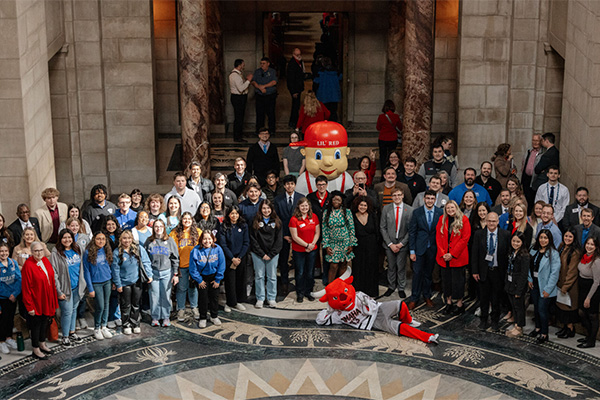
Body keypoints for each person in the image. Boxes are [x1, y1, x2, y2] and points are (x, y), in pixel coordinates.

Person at [471, 212, 510, 330]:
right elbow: (474, 253)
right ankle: (483, 320)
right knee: (483, 297)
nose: (491, 223)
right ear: (486, 221)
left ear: (498, 222)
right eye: (489, 221)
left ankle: (495, 321)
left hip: (498, 271)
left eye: (494, 221)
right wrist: (475, 271)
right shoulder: (479, 234)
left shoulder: (506, 234)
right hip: (484, 271)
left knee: (496, 298)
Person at [21, 241, 58, 360]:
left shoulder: (45, 261)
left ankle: (42, 343)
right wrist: (29, 306)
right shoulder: (28, 265)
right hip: (36, 301)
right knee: (36, 325)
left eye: (41, 250)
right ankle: (36, 348)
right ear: (31, 252)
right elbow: (26, 288)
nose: (39, 253)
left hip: (46, 299)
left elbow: (51, 280)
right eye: (36, 251)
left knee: (44, 322)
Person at [111, 230, 152, 335]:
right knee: (126, 305)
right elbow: (115, 270)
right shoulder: (117, 252)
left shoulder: (138, 249)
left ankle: (135, 323)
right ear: (121, 239)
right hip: (124, 283)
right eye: (124, 238)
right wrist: (118, 284)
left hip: (137, 281)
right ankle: (126, 325)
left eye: (129, 238)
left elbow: (146, 261)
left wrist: (149, 274)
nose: (127, 240)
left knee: (136, 304)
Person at [408, 190, 443, 309]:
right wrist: (412, 251)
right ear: (424, 199)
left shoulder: (440, 212)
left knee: (428, 274)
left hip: (433, 248)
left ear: (435, 200)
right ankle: (414, 298)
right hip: (419, 249)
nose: (429, 201)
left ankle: (427, 296)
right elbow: (412, 232)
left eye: (432, 199)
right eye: (427, 198)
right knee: (417, 273)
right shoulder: (417, 212)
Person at [51, 229, 86, 346]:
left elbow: (82, 267)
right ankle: (65, 336)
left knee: (74, 310)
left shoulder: (78, 249)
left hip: (77, 286)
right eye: (64, 237)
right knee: (67, 312)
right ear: (60, 239)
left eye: (69, 237)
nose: (67, 240)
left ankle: (72, 332)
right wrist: (58, 291)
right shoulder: (56, 252)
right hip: (65, 288)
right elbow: (54, 274)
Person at [436, 201, 470, 315]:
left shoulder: (464, 220)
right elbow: (438, 238)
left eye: (452, 208)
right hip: (444, 258)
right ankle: (449, 303)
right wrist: (443, 253)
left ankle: (460, 304)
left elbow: (465, 239)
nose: (450, 210)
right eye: (448, 208)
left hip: (457, 258)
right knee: (446, 282)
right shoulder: (442, 219)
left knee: (458, 282)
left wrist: (452, 254)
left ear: (456, 208)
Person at [528, 229, 561, 344]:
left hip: (546, 286)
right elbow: (529, 267)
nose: (543, 240)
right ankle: (537, 328)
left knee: (542, 310)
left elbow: (554, 273)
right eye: (541, 237)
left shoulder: (554, 254)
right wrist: (529, 279)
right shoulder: (533, 250)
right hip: (534, 284)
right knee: (536, 308)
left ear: (549, 239)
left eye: (545, 238)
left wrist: (548, 289)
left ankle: (544, 333)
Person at [145, 219, 179, 327]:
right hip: (154, 273)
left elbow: (175, 258)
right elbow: (145, 259)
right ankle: (155, 317)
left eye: (160, 226)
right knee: (154, 296)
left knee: (166, 295)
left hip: (167, 273)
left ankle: (165, 317)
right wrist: (148, 274)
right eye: (156, 226)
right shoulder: (149, 241)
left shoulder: (170, 241)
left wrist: (175, 274)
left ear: (164, 228)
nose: (158, 228)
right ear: (153, 228)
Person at [380, 188, 413, 298]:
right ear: (392, 197)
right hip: (389, 244)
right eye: (394, 195)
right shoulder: (386, 209)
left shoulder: (410, 210)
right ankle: (391, 286)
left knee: (401, 266)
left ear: (403, 195)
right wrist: (390, 244)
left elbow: (411, 230)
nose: (397, 197)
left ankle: (401, 287)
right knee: (391, 266)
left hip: (402, 244)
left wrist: (401, 244)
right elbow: (382, 227)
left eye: (399, 195)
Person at [249, 200, 283, 308]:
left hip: (272, 254)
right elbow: (253, 239)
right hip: (258, 254)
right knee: (259, 276)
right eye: (264, 208)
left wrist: (271, 254)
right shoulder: (255, 221)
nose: (266, 210)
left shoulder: (277, 221)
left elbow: (279, 240)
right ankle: (260, 298)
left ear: (272, 209)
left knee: (272, 277)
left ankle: (271, 298)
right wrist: (261, 254)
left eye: (268, 208)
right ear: (260, 209)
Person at [189, 231, 226, 328]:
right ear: (201, 240)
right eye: (205, 239)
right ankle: (203, 317)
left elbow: (222, 265)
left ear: (213, 239)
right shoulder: (195, 250)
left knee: (214, 297)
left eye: (209, 238)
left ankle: (214, 316)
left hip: (214, 276)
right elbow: (193, 268)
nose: (207, 241)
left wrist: (218, 279)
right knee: (203, 298)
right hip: (202, 278)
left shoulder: (218, 249)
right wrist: (199, 280)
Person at [170, 212, 202, 321]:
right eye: (184, 219)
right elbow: (172, 250)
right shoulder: (175, 233)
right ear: (181, 220)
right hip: (181, 265)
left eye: (189, 219)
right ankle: (181, 309)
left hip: (194, 266)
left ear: (192, 220)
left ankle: (194, 307)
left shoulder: (198, 232)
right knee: (181, 288)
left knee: (193, 288)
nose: (187, 221)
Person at [274, 175, 303, 295]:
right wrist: (285, 234)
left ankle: (300, 284)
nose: (289, 186)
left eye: (292, 184)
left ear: (295, 185)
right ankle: (284, 283)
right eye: (287, 184)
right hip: (283, 235)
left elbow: (303, 217)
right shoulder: (278, 199)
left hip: (299, 236)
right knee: (283, 261)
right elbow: (276, 218)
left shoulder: (301, 198)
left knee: (299, 262)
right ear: (284, 186)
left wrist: (296, 235)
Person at [82, 232, 114, 341]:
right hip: (96, 283)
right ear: (94, 239)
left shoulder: (106, 250)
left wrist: (112, 281)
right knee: (100, 306)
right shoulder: (88, 253)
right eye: (98, 239)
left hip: (107, 281)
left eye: (103, 239)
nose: (101, 241)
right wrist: (90, 288)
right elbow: (86, 272)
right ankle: (97, 327)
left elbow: (110, 266)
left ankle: (104, 326)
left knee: (106, 304)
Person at [218, 206, 249, 312]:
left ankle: (239, 301)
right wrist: (232, 258)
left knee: (240, 280)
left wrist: (239, 257)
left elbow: (246, 243)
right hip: (229, 258)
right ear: (228, 215)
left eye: (236, 213)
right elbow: (223, 244)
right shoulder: (223, 226)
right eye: (232, 213)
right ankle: (230, 302)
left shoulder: (243, 225)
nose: (234, 215)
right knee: (230, 281)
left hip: (241, 258)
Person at [322, 191, 357, 284]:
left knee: (343, 264)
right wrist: (326, 245)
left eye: (338, 199)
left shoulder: (347, 212)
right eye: (334, 199)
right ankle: (330, 288)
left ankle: (341, 287)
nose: (336, 201)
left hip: (345, 242)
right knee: (333, 265)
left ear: (341, 201)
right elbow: (324, 229)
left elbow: (351, 228)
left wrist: (351, 243)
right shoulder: (326, 212)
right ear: (331, 201)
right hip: (333, 243)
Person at [289, 198, 321, 302]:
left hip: (312, 249)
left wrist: (312, 244)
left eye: (306, 206)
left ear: (309, 207)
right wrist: (306, 245)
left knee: (310, 272)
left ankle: (309, 292)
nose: (304, 208)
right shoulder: (294, 219)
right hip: (299, 250)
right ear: (298, 207)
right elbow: (294, 236)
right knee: (300, 272)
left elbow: (317, 232)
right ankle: (300, 293)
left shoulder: (314, 217)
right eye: (302, 206)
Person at [555, 228, 582, 339]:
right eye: (566, 236)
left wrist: (565, 286)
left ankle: (570, 329)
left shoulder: (575, 252)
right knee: (562, 309)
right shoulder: (562, 246)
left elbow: (572, 272)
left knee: (568, 309)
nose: (567, 238)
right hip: (560, 283)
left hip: (570, 287)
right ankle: (565, 327)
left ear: (574, 238)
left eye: (570, 237)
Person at [504, 231, 531, 338]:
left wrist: (519, 290)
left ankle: (519, 327)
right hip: (510, 284)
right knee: (514, 306)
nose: (515, 243)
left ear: (522, 242)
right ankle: (516, 325)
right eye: (514, 241)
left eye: (518, 241)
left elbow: (524, 275)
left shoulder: (525, 255)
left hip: (518, 286)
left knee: (519, 307)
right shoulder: (512, 252)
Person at [577, 237, 600, 348]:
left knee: (592, 316)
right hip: (582, 289)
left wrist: (588, 298)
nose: (589, 246)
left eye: (592, 244)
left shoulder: (596, 261)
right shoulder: (584, 256)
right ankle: (589, 335)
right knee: (581, 312)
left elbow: (596, 282)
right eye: (588, 243)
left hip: (592, 292)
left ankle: (591, 341)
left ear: (596, 247)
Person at [0, 242, 21, 354]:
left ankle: (8, 338)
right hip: (2, 298)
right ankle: (1, 341)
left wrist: (15, 293)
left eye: (6, 251)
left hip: (13, 297)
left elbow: (18, 279)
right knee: (2, 320)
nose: (4, 253)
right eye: (1, 251)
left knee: (10, 318)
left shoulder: (13, 263)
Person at [251, 57, 278, 133]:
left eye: (264, 63)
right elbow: (253, 81)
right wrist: (259, 87)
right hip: (260, 96)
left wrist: (264, 86)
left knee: (271, 114)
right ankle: (259, 130)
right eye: (261, 63)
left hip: (270, 95)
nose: (262, 65)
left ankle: (272, 130)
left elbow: (274, 82)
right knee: (260, 114)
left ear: (268, 64)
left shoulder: (272, 71)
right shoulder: (257, 72)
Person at [229, 59, 252, 142]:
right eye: (243, 64)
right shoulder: (235, 75)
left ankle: (239, 134)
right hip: (238, 98)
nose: (244, 66)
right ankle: (237, 137)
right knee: (238, 118)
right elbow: (241, 89)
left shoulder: (238, 74)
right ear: (239, 65)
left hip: (239, 98)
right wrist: (248, 80)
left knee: (240, 117)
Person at [376, 100, 402, 171]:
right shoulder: (396, 116)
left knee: (383, 156)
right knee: (392, 156)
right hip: (393, 139)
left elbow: (378, 128)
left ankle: (384, 171)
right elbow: (400, 127)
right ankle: (392, 169)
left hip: (383, 138)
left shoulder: (381, 116)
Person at [313, 56, 341, 122]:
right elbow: (341, 78)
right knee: (333, 112)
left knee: (324, 113)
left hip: (323, 96)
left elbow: (316, 81)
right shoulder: (336, 73)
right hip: (334, 96)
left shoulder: (320, 73)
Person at [521, 133, 544, 212]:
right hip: (526, 179)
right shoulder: (529, 150)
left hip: (535, 180)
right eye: (533, 140)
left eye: (537, 140)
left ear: (541, 141)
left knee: (533, 201)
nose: (535, 142)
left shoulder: (543, 153)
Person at [287, 48, 305, 129]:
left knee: (296, 106)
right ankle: (293, 122)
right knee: (295, 106)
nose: (299, 56)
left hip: (298, 87)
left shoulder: (299, 62)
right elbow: (290, 79)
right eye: (297, 55)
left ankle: (295, 121)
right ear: (293, 54)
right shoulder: (292, 64)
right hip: (295, 89)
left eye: (299, 54)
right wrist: (293, 91)